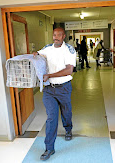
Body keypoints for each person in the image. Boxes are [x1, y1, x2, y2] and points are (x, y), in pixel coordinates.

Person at [33, 27, 76, 161]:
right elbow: (38, 55)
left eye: (58, 35)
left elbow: (69, 70)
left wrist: (49, 75)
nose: (55, 37)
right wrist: (35, 54)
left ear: (63, 36)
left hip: (64, 88)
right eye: (54, 35)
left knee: (66, 111)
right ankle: (49, 148)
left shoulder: (69, 50)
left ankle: (68, 128)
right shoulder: (47, 48)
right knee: (51, 117)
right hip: (49, 89)